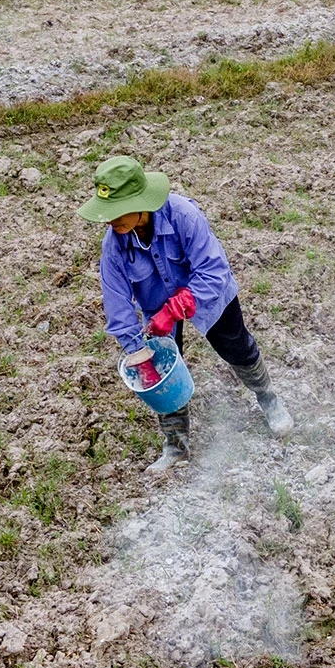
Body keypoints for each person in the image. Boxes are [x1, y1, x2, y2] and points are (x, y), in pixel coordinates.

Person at [80, 156, 293, 474]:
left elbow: (213, 270)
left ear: (141, 203)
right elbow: (117, 301)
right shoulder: (114, 245)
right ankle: (176, 444)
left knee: (236, 347)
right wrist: (137, 350)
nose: (109, 221)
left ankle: (268, 398)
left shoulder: (183, 215)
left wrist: (176, 308)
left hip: (206, 292)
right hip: (155, 304)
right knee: (161, 369)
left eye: (116, 212)